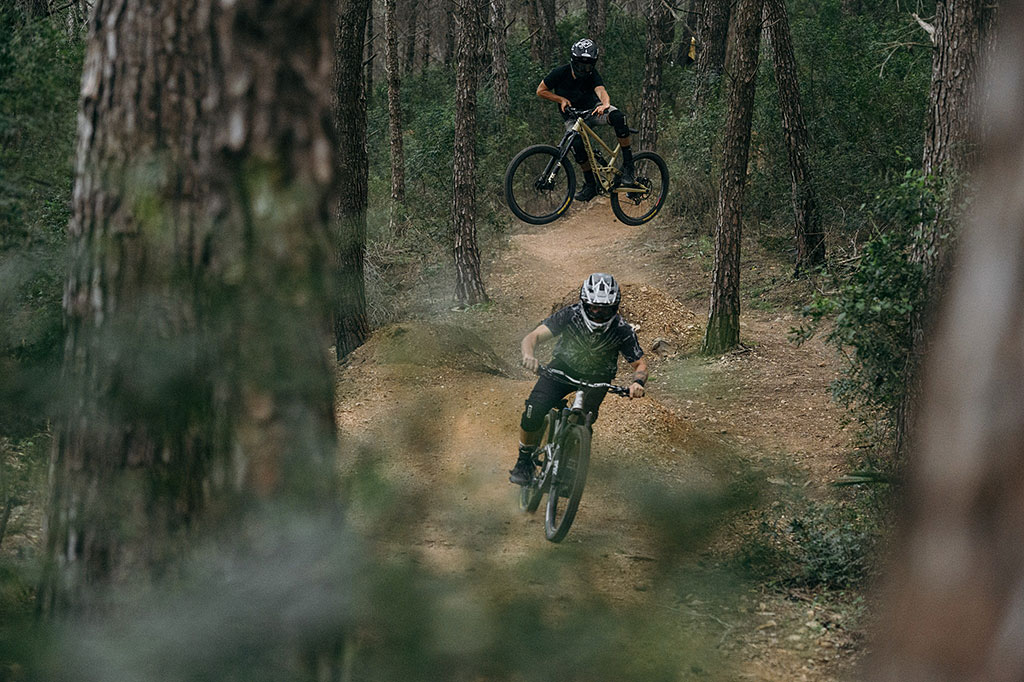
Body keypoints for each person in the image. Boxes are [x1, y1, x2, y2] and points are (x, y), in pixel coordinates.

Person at [510, 273, 648, 485]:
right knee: (534, 410)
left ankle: (572, 463)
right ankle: (524, 460)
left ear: (615, 307)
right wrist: (529, 355)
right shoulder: (570, 315)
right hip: (562, 370)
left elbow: (640, 364)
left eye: (604, 308)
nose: (598, 313)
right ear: (584, 303)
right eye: (593, 307)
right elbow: (533, 336)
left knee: (585, 420)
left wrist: (637, 383)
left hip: (599, 377)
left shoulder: (622, 329)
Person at [536, 38, 638, 203]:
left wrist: (605, 104)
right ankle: (591, 184)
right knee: (575, 143)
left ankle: (628, 166)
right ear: (573, 61)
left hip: (593, 111)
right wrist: (561, 99)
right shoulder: (559, 73)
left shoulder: (592, 75)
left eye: (589, 65)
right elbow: (541, 90)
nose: (584, 69)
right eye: (581, 65)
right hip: (572, 116)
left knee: (618, 117)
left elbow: (601, 90)